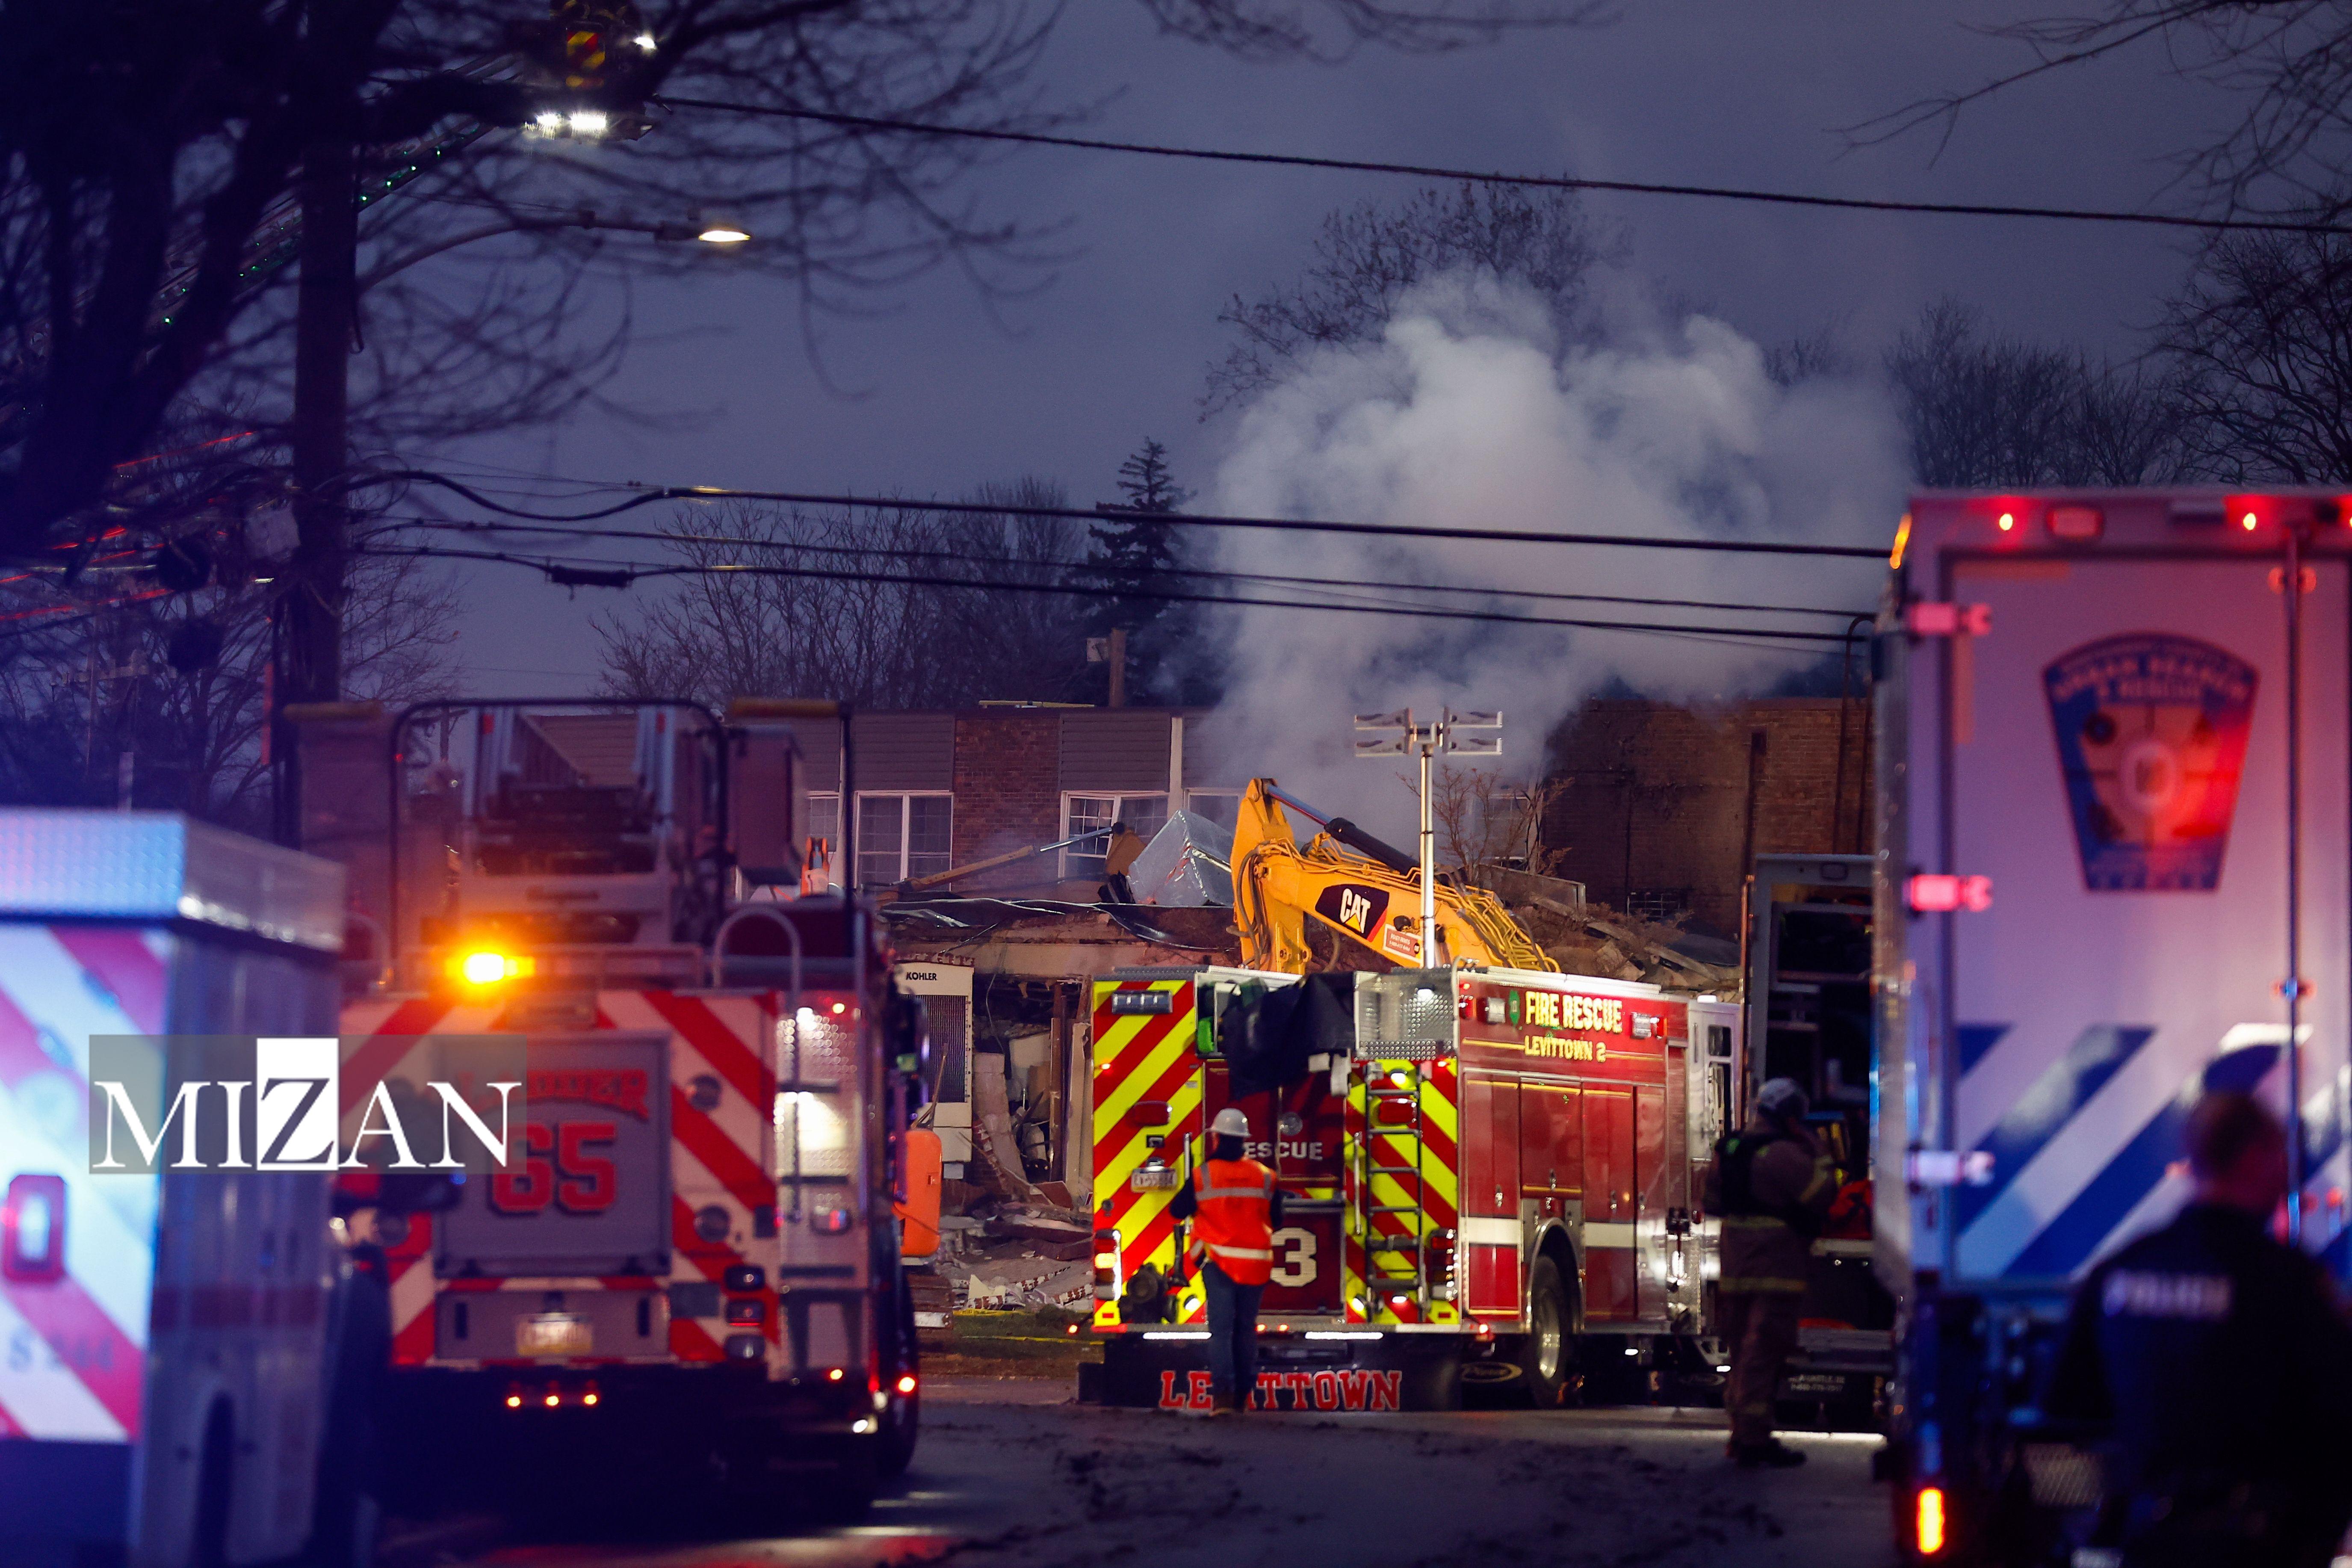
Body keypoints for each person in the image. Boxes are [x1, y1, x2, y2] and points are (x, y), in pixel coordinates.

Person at [2044, 1092, 2352, 1568]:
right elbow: (2336, 1410)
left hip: (2149, 1536)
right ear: (2254, 1159)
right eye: (2279, 1156)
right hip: (2257, 1543)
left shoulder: (2123, 1268)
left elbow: (2065, 1400)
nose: (2285, 1171)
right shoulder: (2285, 1281)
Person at [1706, 1076, 1835, 1468]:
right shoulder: (1782, 1153)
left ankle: (1739, 1432)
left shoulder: (1729, 1150)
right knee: (1764, 1353)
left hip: (1734, 1267)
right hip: (1776, 1268)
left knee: (1741, 1351)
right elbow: (1824, 1193)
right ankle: (1754, 1439)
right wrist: (1819, 1152)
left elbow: (1712, 1200)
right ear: (1792, 1115)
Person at [1170, 1106, 1283, 1413]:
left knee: (1221, 1330)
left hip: (1219, 1263)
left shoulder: (1203, 1175)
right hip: (1256, 1264)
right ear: (1245, 1139)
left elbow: (1176, 1211)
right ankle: (1244, 1396)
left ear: (1217, 1137)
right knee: (1246, 1329)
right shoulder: (1265, 1175)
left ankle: (1223, 1397)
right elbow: (1278, 1219)